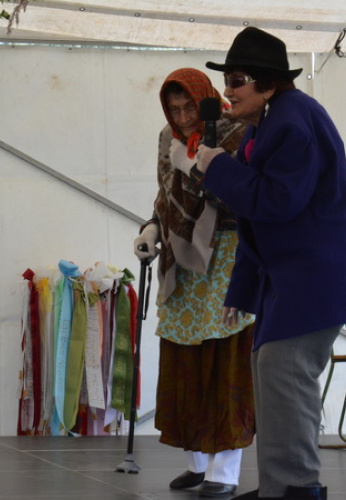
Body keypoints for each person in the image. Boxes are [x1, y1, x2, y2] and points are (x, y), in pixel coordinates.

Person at [180, 28, 346, 500]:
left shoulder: (292, 120)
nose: (228, 90)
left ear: (267, 83)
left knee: (285, 372)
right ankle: (282, 486)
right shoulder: (270, 122)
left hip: (313, 276)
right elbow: (258, 216)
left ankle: (295, 489)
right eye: (226, 80)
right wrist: (242, 289)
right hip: (294, 277)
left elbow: (278, 201)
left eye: (237, 79)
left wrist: (216, 167)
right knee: (272, 370)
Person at [133, 68, 256, 498]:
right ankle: (197, 463)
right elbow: (165, 194)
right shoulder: (167, 139)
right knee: (184, 360)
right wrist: (152, 228)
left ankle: (225, 470)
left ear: (205, 100)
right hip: (181, 259)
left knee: (225, 361)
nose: (183, 117)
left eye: (189, 107)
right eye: (174, 109)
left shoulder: (237, 132)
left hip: (226, 253)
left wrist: (196, 166)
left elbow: (237, 197)